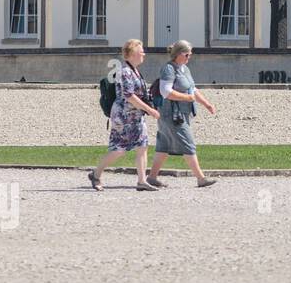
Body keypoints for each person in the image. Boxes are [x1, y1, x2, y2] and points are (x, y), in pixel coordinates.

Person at [89, 39, 160, 191]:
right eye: (141, 52)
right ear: (133, 54)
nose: (144, 55)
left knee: (142, 146)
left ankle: (142, 181)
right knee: (118, 149)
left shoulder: (135, 70)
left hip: (136, 115)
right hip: (123, 116)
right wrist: (150, 110)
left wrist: (148, 106)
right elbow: (129, 96)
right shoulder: (125, 71)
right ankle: (95, 174)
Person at [147, 40, 219, 189]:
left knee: (164, 145)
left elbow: (192, 89)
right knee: (188, 143)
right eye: (187, 54)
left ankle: (152, 177)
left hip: (180, 114)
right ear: (179, 54)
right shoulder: (168, 69)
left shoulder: (184, 69)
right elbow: (165, 91)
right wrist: (187, 98)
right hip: (171, 115)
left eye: (190, 54)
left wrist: (206, 104)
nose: (189, 57)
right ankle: (201, 178)